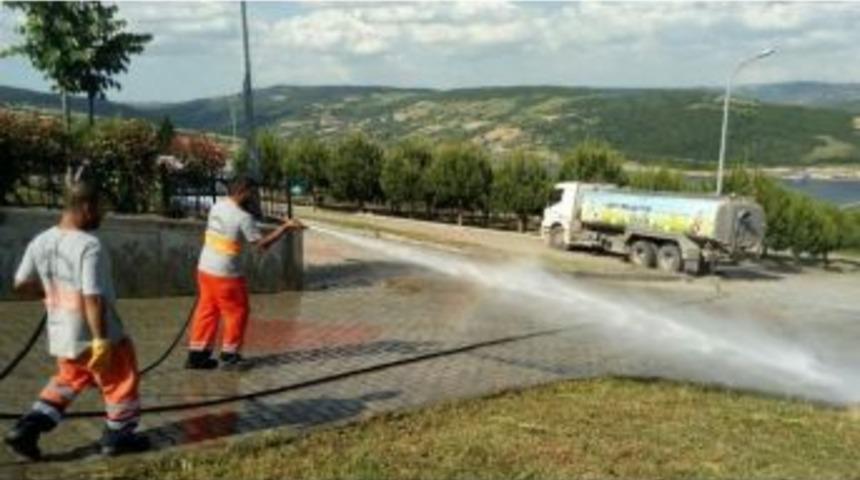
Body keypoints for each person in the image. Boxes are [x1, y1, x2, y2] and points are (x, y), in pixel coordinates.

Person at [5, 181, 149, 460]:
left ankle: (27, 429)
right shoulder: (89, 245)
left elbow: (20, 284)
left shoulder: (41, 240)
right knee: (121, 380)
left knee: (67, 382)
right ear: (86, 207)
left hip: (63, 335)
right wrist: (101, 340)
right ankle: (118, 437)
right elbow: (92, 297)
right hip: (95, 332)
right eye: (100, 210)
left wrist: (50, 293)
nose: (102, 216)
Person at [186, 176, 304, 370]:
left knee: (207, 310)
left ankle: (197, 356)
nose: (255, 197)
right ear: (244, 191)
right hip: (226, 274)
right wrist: (285, 228)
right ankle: (229, 355)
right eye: (253, 193)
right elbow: (261, 245)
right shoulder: (242, 217)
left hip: (205, 269)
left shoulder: (218, 206)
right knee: (237, 311)